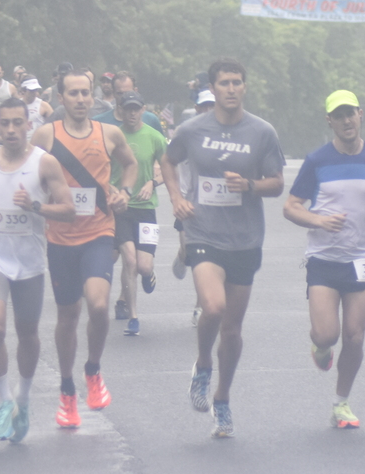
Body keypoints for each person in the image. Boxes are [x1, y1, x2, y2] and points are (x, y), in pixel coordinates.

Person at [159, 60, 284, 438]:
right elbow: (168, 161)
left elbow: (277, 184)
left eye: (237, 83)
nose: (231, 89)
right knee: (212, 307)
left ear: (245, 87)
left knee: (231, 330)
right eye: (224, 83)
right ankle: (201, 365)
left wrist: (249, 185)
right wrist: (177, 198)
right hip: (203, 233)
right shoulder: (193, 129)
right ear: (213, 89)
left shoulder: (262, 132)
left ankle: (223, 398)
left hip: (244, 238)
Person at [0, 97, 78, 443]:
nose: (9, 130)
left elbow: (68, 209)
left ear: (28, 125)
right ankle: (5, 400)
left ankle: (24, 398)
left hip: (29, 258)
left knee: (28, 332)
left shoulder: (44, 164)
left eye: (16, 123)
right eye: (3, 123)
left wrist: (35, 206)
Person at [283, 90, 365, 429]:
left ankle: (341, 402)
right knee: (326, 335)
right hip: (323, 259)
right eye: (339, 115)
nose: (347, 120)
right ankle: (319, 348)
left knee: (355, 336)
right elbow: (290, 207)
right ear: (330, 121)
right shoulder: (317, 161)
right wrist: (318, 220)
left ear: (361, 115)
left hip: (362, 259)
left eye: (351, 113)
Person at [30, 69, 138, 429]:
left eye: (85, 93)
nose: (80, 99)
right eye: (73, 93)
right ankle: (66, 389)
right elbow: (29, 175)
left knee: (99, 304)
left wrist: (124, 191)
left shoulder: (110, 133)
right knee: (67, 317)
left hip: (98, 232)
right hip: (60, 238)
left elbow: (131, 164)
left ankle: (92, 369)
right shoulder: (46, 134)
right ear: (61, 98)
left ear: (93, 97)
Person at [112, 91, 166, 336]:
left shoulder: (154, 137)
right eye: (127, 109)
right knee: (129, 261)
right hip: (121, 208)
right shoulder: (113, 136)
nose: (132, 113)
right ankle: (133, 315)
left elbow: (168, 172)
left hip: (146, 209)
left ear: (143, 109)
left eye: (136, 108)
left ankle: (149, 273)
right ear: (120, 110)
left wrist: (152, 183)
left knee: (143, 266)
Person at [170, 88, 216, 328]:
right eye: (204, 106)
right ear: (197, 108)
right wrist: (176, 197)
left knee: (204, 260)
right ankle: (180, 257)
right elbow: (168, 163)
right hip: (187, 203)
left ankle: (200, 307)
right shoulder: (184, 134)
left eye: (212, 105)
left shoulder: (223, 136)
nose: (208, 110)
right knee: (189, 252)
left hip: (211, 206)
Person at [93, 72, 164, 133]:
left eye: (128, 93)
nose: (124, 97)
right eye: (119, 93)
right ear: (113, 93)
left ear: (135, 91)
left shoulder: (151, 120)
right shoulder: (98, 122)